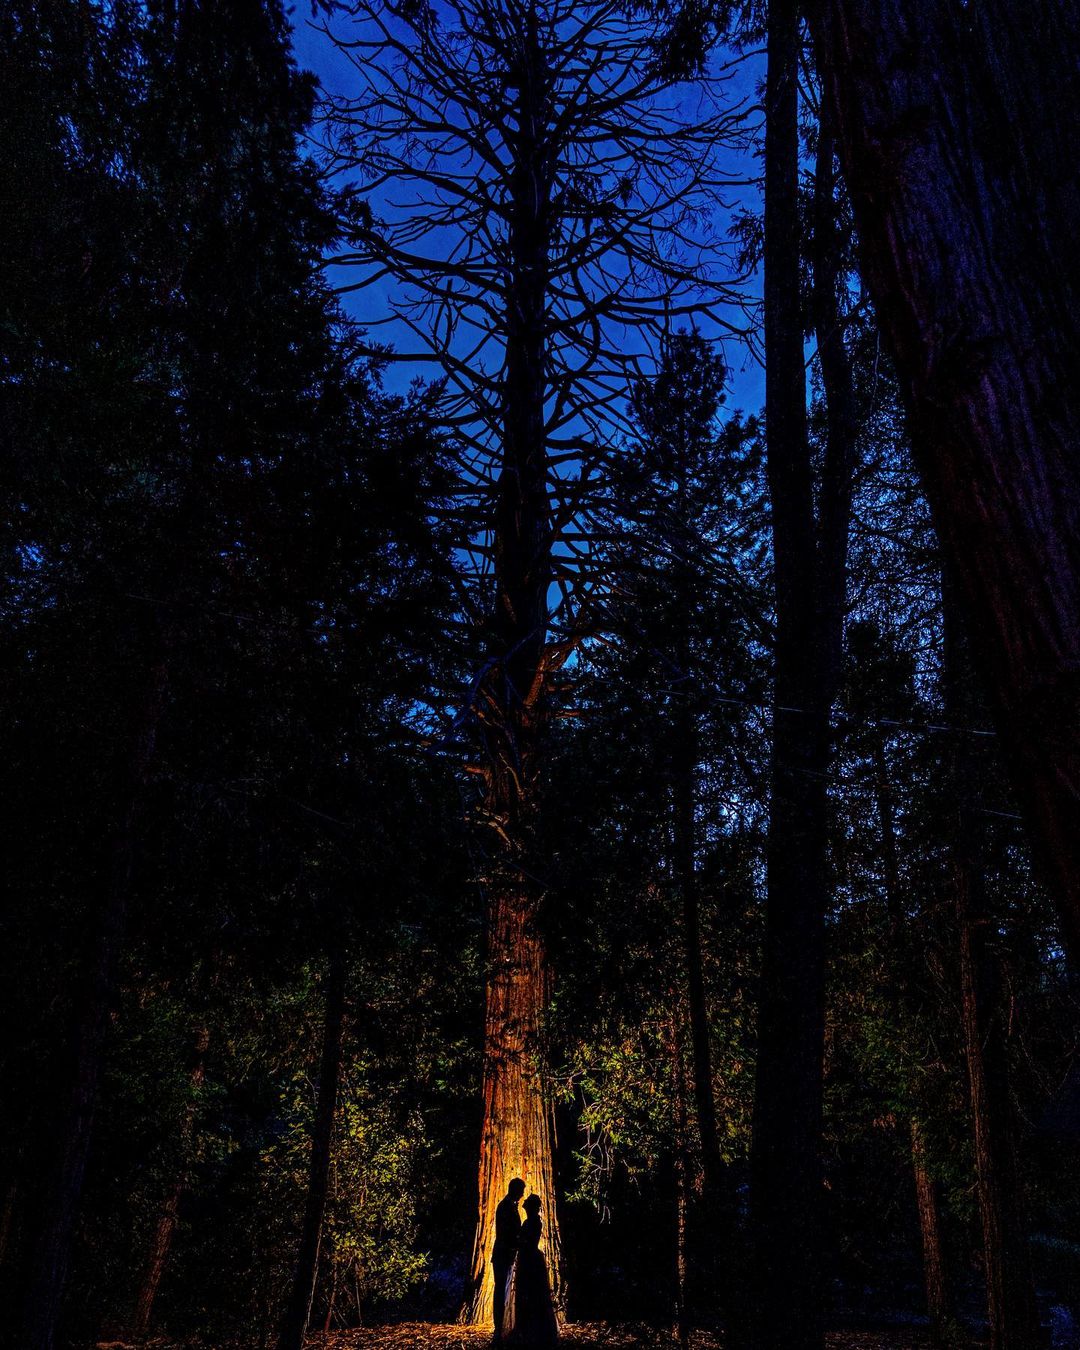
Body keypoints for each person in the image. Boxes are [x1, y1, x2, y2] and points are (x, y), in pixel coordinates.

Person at [505, 1194, 558, 1348]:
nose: (525, 1204)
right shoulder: (531, 1221)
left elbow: (527, 1241)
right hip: (528, 1258)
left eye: (527, 1203)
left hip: (529, 1259)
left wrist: (517, 1241)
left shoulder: (533, 1222)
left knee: (531, 1293)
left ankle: (533, 1330)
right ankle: (528, 1329)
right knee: (527, 1293)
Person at [492, 1177, 526, 1344]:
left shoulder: (509, 1206)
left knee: (504, 1291)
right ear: (515, 1189)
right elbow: (506, 1233)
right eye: (521, 1190)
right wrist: (519, 1242)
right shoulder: (505, 1207)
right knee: (501, 1291)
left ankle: (503, 1327)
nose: (522, 1194)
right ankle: (498, 1329)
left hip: (506, 1254)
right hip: (502, 1255)